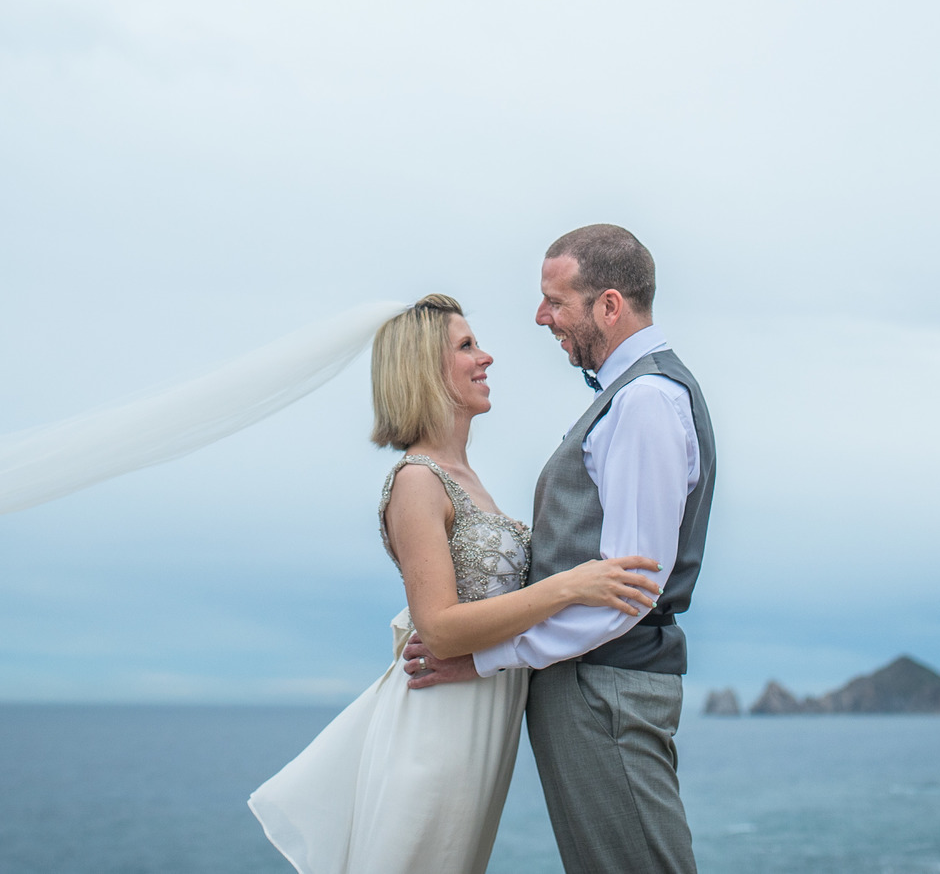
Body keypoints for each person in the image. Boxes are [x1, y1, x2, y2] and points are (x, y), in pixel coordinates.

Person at [248, 294, 663, 874]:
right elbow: (439, 628)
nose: (486, 358)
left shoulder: (468, 480)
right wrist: (570, 586)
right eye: (467, 347)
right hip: (436, 728)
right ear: (423, 370)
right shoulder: (418, 481)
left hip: (479, 719)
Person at [401, 225, 716, 874]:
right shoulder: (631, 399)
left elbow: (626, 590)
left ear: (608, 304)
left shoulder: (646, 402)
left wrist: (488, 657)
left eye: (555, 300)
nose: (541, 316)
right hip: (592, 686)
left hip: (604, 692)